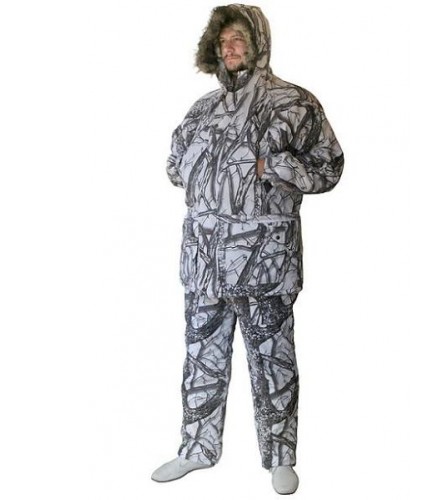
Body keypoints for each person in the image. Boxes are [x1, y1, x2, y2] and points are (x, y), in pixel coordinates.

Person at [151, 3, 344, 495]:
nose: (230, 48)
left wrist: (273, 167)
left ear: (258, 43)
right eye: (223, 42)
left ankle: (281, 457)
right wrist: (202, 171)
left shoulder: (293, 104)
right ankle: (197, 449)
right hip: (204, 264)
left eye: (238, 38)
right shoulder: (202, 109)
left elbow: (330, 167)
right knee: (202, 358)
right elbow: (173, 166)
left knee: (273, 361)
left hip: (265, 264)